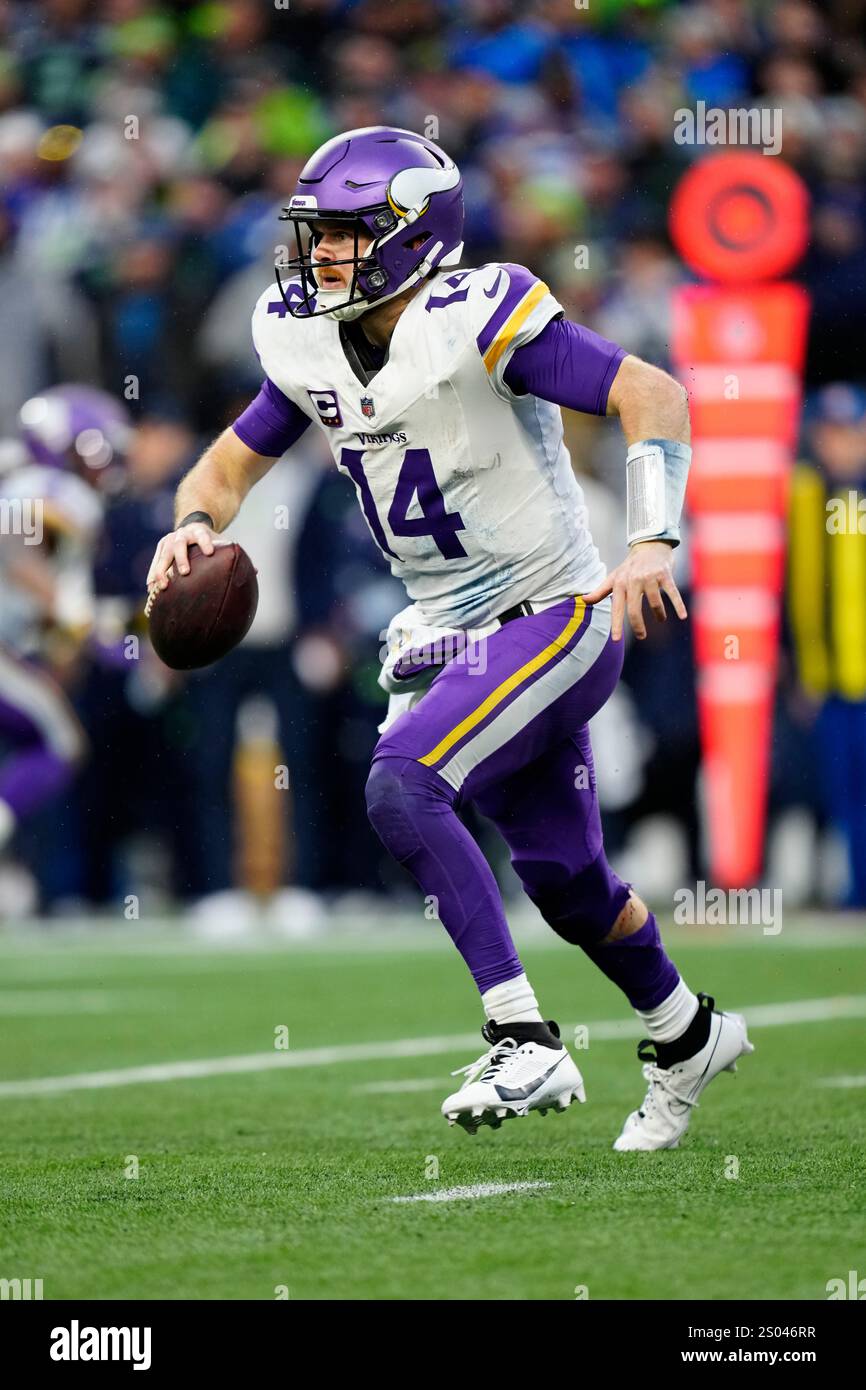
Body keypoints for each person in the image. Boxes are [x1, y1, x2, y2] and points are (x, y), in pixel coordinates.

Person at [146, 126, 753, 1150]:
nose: (314, 258)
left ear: (408, 236)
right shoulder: (303, 336)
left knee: (401, 778)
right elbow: (224, 469)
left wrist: (651, 537)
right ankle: (683, 1028)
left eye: (339, 237)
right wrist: (191, 526)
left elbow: (651, 392)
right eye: (313, 236)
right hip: (448, 627)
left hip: (555, 611)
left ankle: (521, 1033)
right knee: (566, 881)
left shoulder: (471, 312)